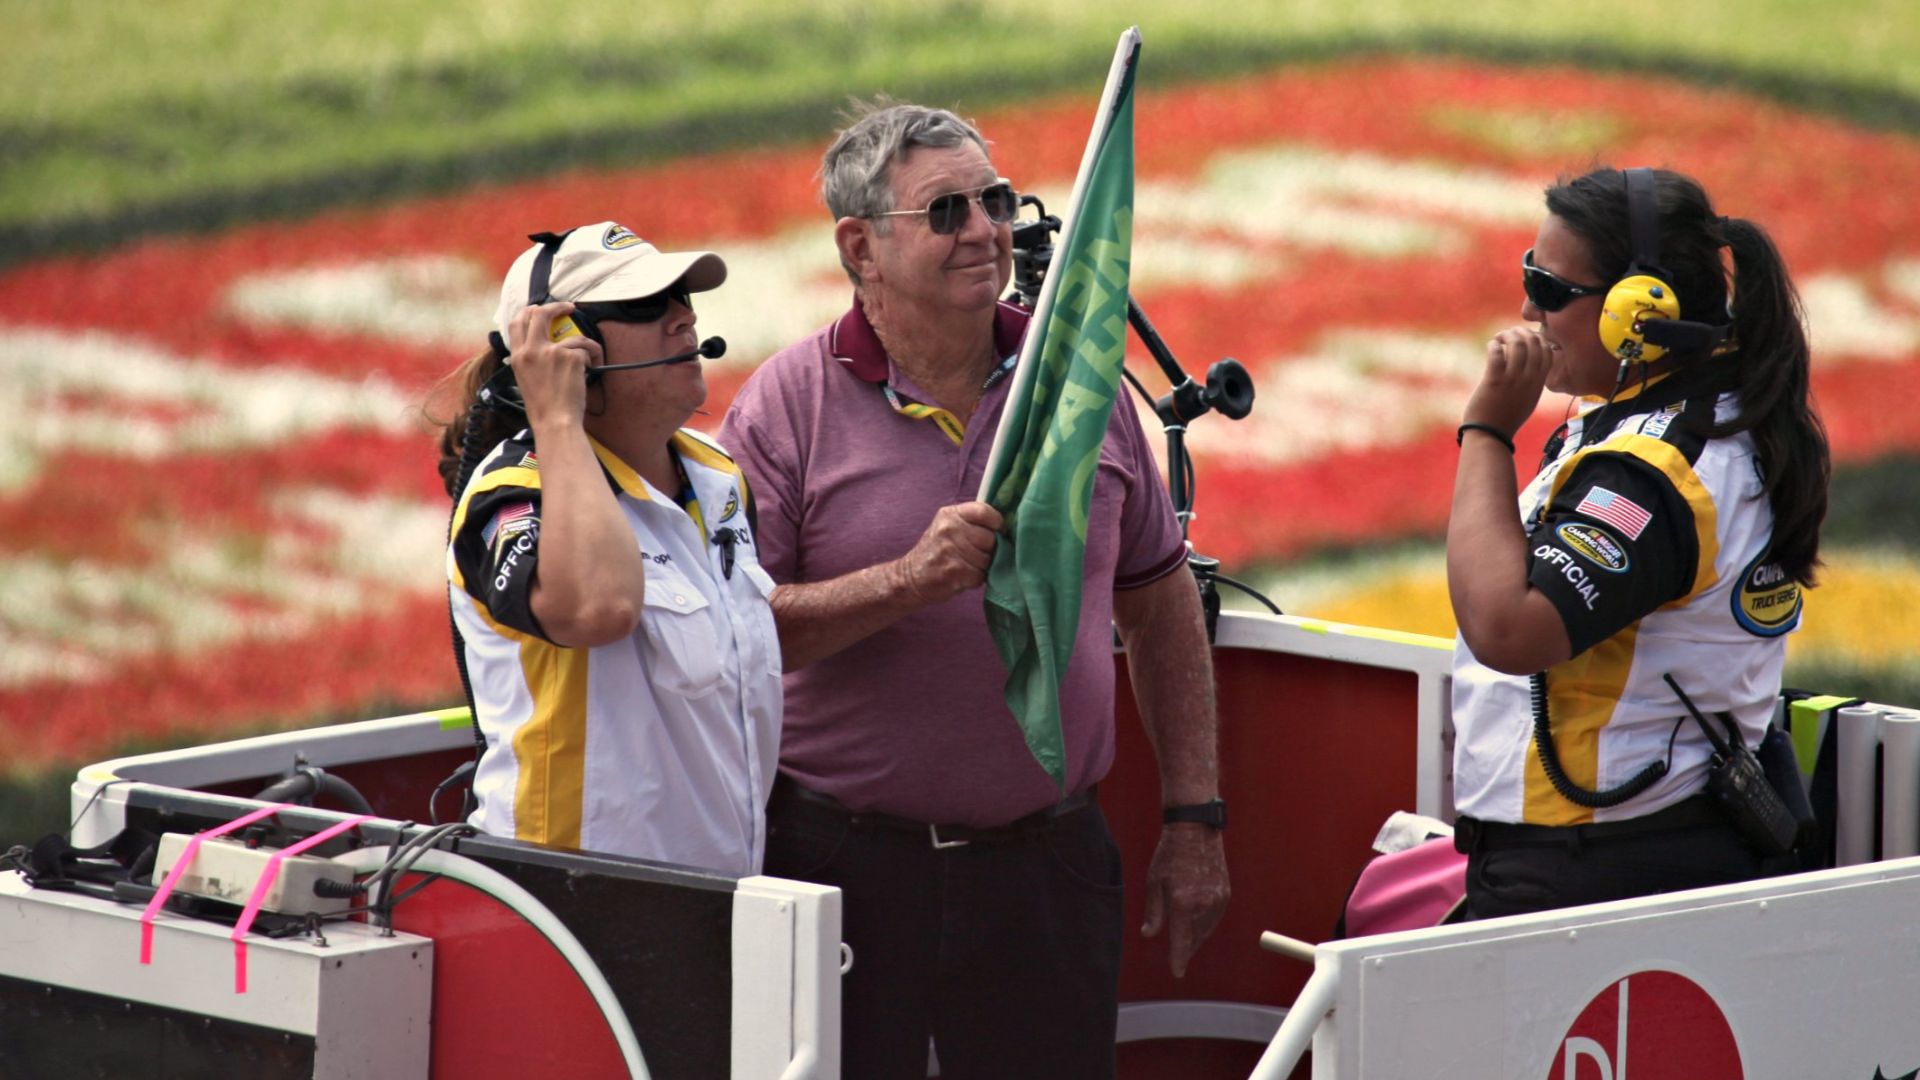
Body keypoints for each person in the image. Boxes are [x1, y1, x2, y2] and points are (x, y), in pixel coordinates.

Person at [718, 101, 1230, 1077]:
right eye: (946, 212)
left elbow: (1160, 604)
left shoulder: (1082, 387)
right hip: (841, 867)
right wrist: (907, 583)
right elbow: (741, 635)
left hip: (1047, 869)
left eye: (994, 201)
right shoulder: (786, 407)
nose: (987, 231)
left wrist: (1195, 819)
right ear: (860, 247)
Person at [1447, 167, 1829, 919]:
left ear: (1639, 310)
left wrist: (1486, 433)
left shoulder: (1653, 476)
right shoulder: (1709, 417)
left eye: (1550, 288)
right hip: (1646, 846)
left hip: (1593, 863)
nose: (1528, 309)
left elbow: (1507, 629)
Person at [437, 222, 781, 877]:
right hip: (572, 896)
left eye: (682, 298)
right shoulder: (511, 493)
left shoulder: (717, 476)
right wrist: (556, 415)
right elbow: (600, 609)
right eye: (647, 305)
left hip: (721, 887)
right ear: (563, 342)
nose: (684, 318)